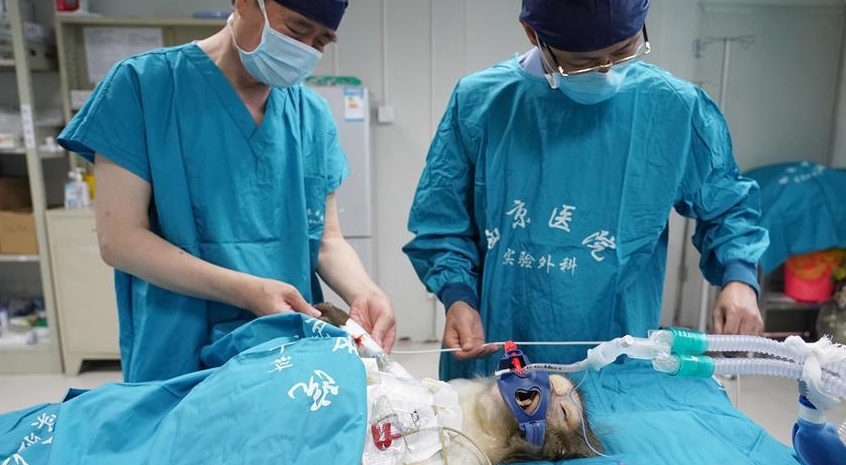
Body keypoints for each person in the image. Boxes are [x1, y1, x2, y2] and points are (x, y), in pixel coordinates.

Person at [403, 0, 769, 380]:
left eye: (624, 50)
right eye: (583, 62)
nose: (606, 70)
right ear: (532, 34)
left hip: (617, 355)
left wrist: (739, 278)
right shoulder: (481, 102)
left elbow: (727, 204)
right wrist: (457, 297)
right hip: (496, 345)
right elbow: (441, 219)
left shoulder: (673, 107)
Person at [57, 0, 395, 382]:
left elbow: (327, 240)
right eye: (297, 29)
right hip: (177, 348)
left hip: (285, 352)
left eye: (321, 41)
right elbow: (119, 239)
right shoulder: (143, 86)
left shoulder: (310, 114)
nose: (305, 49)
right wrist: (246, 291)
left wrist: (365, 292)